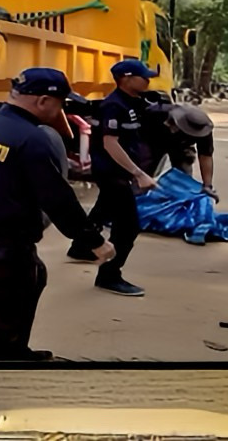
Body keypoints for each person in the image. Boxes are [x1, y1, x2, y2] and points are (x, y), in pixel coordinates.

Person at [0, 68, 116, 361]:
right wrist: (94, 241)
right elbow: (57, 199)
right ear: (42, 102)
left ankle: (14, 351)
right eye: (61, 103)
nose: (61, 110)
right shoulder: (32, 139)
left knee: (33, 278)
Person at [66, 59, 158, 297]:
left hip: (119, 172)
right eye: (143, 76)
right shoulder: (113, 106)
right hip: (112, 173)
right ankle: (109, 275)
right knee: (128, 227)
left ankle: (81, 246)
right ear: (126, 79)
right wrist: (139, 174)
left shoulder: (132, 102)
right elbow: (110, 144)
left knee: (103, 208)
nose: (148, 80)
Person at [143, 103, 218, 202]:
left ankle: (179, 201)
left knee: (183, 178)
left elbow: (205, 156)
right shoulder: (156, 113)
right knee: (144, 174)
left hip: (182, 147)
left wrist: (207, 185)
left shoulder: (203, 129)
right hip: (152, 142)